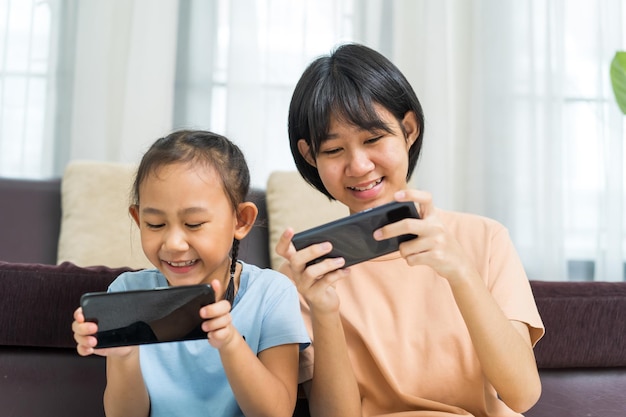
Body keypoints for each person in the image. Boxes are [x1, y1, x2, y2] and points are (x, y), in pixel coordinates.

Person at [275, 43, 545, 417]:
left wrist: (461, 273)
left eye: (373, 139)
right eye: (334, 150)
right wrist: (324, 310)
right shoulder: (303, 274)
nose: (359, 165)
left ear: (408, 130)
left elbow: (522, 395)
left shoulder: (485, 239)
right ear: (310, 156)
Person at [72, 130, 310, 417]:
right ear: (138, 220)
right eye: (156, 224)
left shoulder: (272, 293)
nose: (173, 244)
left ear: (241, 220)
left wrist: (230, 343)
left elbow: (276, 413)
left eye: (194, 224)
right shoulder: (126, 293)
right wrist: (124, 355)